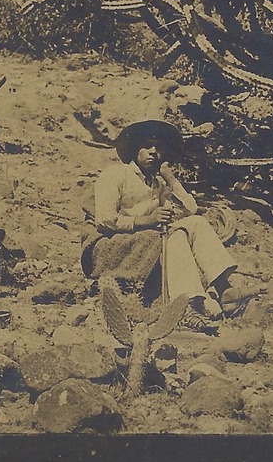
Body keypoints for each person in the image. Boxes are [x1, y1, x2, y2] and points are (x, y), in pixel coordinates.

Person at [84, 119, 241, 318]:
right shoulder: (116, 174)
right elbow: (105, 220)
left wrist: (170, 178)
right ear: (135, 149)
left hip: (147, 240)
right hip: (113, 243)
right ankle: (190, 302)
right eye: (147, 145)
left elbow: (191, 210)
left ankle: (223, 286)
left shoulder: (157, 184)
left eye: (158, 148)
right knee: (175, 236)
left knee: (195, 223)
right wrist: (146, 220)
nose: (153, 151)